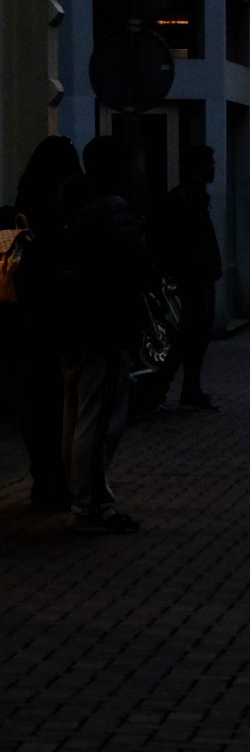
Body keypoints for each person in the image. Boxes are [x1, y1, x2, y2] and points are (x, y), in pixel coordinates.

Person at [58, 137, 151, 531]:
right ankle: (92, 505)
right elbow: (135, 267)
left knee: (79, 415)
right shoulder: (114, 211)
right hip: (105, 326)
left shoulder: (79, 206)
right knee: (98, 421)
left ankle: (83, 494)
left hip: (78, 326)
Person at [13, 137, 82, 510]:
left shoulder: (23, 207)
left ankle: (42, 477)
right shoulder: (67, 211)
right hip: (60, 313)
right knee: (63, 398)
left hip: (26, 315)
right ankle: (61, 477)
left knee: (35, 398)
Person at [147, 145, 222, 411]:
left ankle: (177, 387)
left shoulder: (191, 198)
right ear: (202, 167)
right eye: (211, 163)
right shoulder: (185, 200)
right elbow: (180, 242)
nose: (214, 168)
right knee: (191, 334)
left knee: (194, 335)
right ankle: (167, 387)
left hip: (199, 276)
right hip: (193, 278)